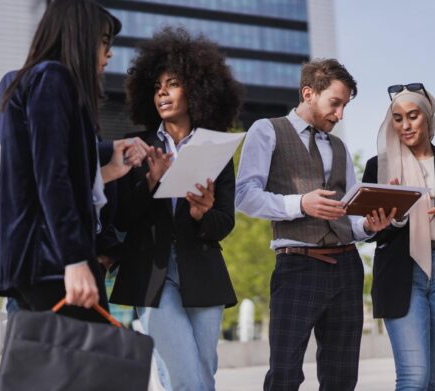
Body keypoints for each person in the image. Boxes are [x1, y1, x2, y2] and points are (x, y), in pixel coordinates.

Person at [236, 58, 395, 391]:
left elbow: (348, 217)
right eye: (334, 104)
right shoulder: (267, 130)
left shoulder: (338, 146)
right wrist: (299, 204)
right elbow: (245, 196)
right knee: (284, 375)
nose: (339, 115)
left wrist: (368, 226)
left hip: (347, 267)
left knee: (341, 378)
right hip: (297, 266)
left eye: (344, 106)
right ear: (308, 93)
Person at [109, 27, 242, 391]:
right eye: (156, 87)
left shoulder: (215, 149)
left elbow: (224, 222)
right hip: (151, 273)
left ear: (196, 90)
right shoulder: (139, 150)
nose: (162, 93)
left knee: (201, 373)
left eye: (172, 84)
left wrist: (203, 214)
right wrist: (150, 184)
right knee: (187, 378)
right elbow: (121, 219)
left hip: (202, 272)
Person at [0, 0, 129, 322]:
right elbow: (52, 177)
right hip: (53, 260)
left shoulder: (34, 80)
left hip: (39, 260)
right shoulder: (53, 77)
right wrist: (75, 260)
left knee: (61, 368)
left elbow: (43, 173)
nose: (109, 53)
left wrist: (108, 168)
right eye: (104, 41)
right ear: (80, 37)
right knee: (100, 364)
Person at [363, 84, 435, 390]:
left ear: (428, 118)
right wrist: (397, 214)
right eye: (398, 118)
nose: (405, 125)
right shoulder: (379, 167)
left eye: (412, 116)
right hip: (401, 275)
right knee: (414, 378)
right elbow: (370, 230)